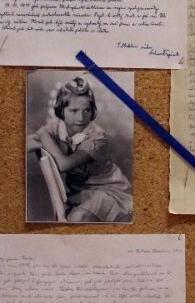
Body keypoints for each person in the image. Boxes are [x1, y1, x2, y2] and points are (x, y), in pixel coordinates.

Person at [26, 76, 133, 222]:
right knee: (75, 218)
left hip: (108, 191)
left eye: (86, 110)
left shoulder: (97, 138)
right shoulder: (56, 128)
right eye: (74, 110)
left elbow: (65, 165)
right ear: (61, 111)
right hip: (79, 193)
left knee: (78, 219)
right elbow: (26, 143)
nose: (81, 118)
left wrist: (43, 135)